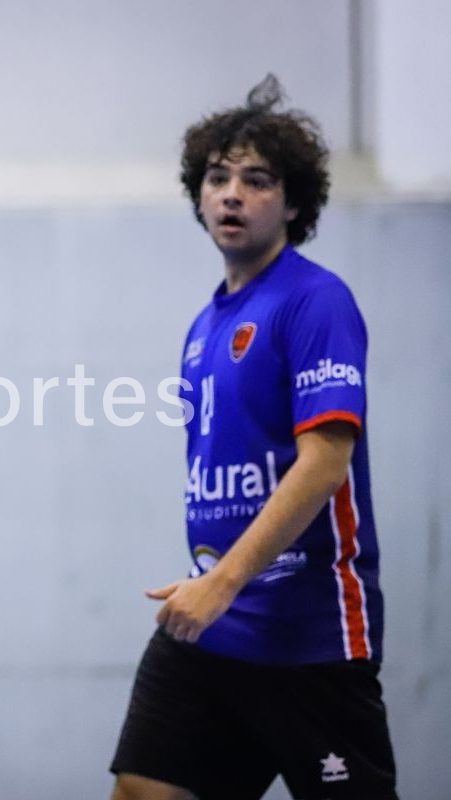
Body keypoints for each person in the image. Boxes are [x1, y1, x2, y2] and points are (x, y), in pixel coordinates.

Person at [109, 76, 398, 800]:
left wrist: (221, 584)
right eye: (217, 177)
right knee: (143, 789)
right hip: (212, 634)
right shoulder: (205, 327)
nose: (232, 194)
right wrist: (213, 594)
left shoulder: (314, 301)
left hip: (310, 636)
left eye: (257, 180)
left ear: (294, 203)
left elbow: (326, 464)